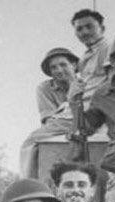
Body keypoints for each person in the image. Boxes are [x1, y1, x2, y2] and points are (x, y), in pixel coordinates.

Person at [20, 48, 81, 178]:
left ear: (74, 65)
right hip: (59, 126)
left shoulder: (86, 84)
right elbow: (49, 119)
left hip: (85, 122)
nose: (59, 70)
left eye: (63, 65)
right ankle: (29, 182)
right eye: (53, 67)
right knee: (30, 142)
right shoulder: (44, 88)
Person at [70, 8, 110, 101]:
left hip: (101, 103)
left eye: (89, 27)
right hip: (84, 103)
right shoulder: (83, 58)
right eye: (79, 29)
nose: (85, 32)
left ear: (102, 29)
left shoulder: (110, 49)